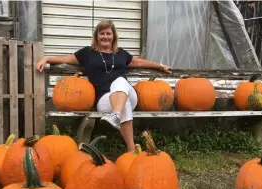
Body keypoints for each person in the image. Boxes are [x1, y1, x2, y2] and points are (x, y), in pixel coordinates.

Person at [36, 20, 172, 152]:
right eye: (102, 33)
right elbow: (66, 59)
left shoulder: (120, 54)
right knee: (124, 105)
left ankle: (115, 115)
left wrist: (159, 66)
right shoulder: (87, 53)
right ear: (96, 36)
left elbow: (139, 63)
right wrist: (46, 58)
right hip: (104, 99)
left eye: (108, 33)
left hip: (128, 94)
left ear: (113, 37)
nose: (105, 37)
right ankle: (131, 149)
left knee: (119, 81)